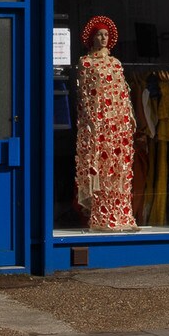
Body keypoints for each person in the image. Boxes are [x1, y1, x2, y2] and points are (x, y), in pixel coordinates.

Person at [73, 15, 137, 231]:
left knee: (118, 168)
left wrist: (130, 115)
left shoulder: (116, 63)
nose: (103, 38)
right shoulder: (86, 63)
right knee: (100, 167)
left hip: (117, 124)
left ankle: (122, 216)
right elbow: (83, 95)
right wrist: (89, 119)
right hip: (98, 123)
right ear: (92, 38)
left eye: (106, 35)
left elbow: (123, 93)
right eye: (99, 34)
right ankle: (101, 217)